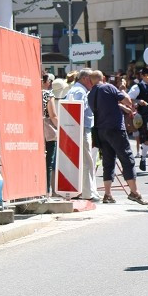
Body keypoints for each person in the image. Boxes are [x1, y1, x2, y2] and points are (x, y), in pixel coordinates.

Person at [88, 71, 148, 204]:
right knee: (127, 158)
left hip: (100, 130)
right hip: (115, 128)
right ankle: (134, 192)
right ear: (103, 78)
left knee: (108, 162)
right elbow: (128, 101)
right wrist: (122, 88)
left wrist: (119, 106)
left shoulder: (91, 93)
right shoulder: (108, 87)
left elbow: (105, 106)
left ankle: (107, 194)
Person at [63, 70, 100, 201]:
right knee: (87, 161)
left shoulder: (76, 89)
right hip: (82, 128)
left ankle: (86, 191)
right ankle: (87, 192)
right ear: (84, 78)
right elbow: (76, 111)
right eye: (91, 79)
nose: (94, 82)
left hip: (80, 128)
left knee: (86, 161)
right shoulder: (80, 91)